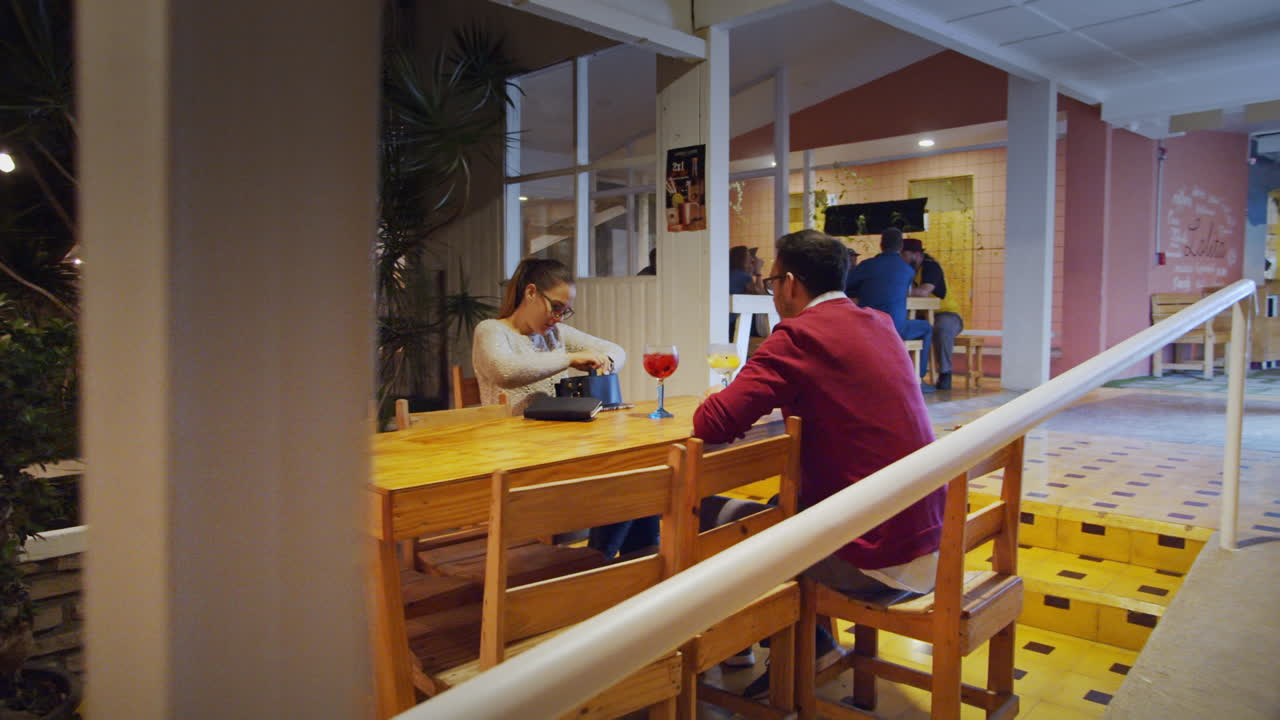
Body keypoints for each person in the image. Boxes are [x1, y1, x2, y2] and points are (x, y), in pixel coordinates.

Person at [694, 229, 945, 696]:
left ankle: (766, 645)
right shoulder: (878, 323)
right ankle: (793, 644)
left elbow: (713, 422)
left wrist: (716, 395)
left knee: (709, 517)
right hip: (929, 545)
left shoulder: (799, 335)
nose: (772, 293)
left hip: (874, 559)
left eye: (772, 283)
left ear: (790, 283)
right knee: (776, 507)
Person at [472, 257, 626, 416]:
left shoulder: (557, 333)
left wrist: (604, 363)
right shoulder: (490, 330)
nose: (559, 318)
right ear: (531, 293)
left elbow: (617, 351)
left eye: (565, 311)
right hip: (506, 430)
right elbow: (505, 372)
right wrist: (569, 359)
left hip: (555, 429)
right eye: (556, 307)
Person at [845, 227, 934, 390]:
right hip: (896, 327)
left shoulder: (867, 265)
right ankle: (919, 378)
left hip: (868, 326)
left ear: (881, 245)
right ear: (900, 247)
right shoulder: (907, 271)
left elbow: (845, 285)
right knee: (926, 327)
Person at [901, 237, 964, 391]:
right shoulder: (905, 270)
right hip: (919, 314)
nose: (901, 259)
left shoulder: (931, 267)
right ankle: (911, 375)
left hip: (946, 313)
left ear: (917, 255)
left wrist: (894, 291)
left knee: (942, 328)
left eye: (904, 255)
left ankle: (945, 373)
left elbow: (923, 292)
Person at [729, 245, 765, 337]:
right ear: (742, 259)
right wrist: (758, 272)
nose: (752, 260)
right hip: (735, 322)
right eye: (749, 257)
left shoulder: (731, 274)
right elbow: (760, 294)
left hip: (727, 321)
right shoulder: (744, 277)